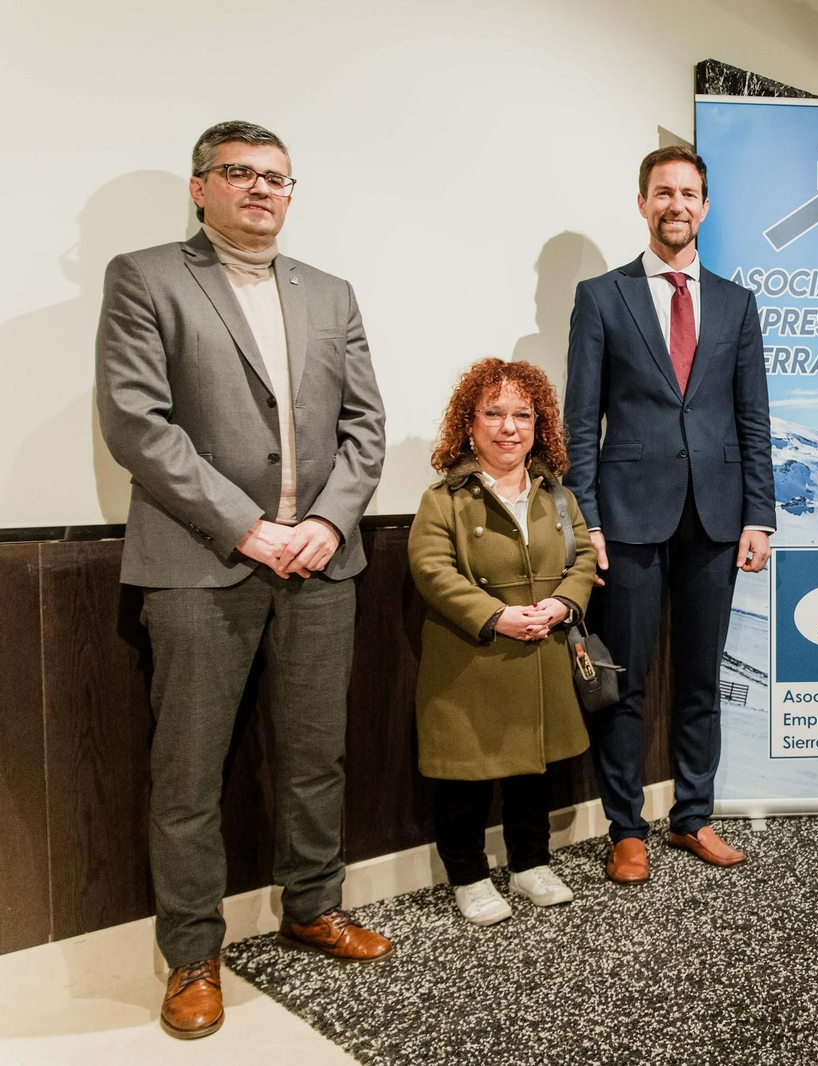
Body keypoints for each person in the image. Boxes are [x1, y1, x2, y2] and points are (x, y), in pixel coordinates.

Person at [95, 120, 391, 1040]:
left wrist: (324, 523)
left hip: (321, 561)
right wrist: (250, 528)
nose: (260, 189)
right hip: (201, 563)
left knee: (317, 756)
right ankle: (192, 955)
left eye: (276, 177)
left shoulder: (329, 292)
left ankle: (313, 906)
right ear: (200, 187)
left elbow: (366, 428)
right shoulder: (145, 277)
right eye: (239, 174)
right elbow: (138, 424)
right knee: (187, 772)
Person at [564, 146, 775, 884]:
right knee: (623, 679)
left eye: (688, 193)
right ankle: (626, 829)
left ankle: (693, 816)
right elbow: (578, 419)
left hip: (716, 520)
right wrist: (584, 517)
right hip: (626, 518)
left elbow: (754, 419)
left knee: (699, 677)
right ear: (642, 203)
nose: (675, 204)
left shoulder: (736, 302)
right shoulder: (601, 297)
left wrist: (761, 516)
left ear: (706, 206)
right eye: (663, 192)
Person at [408, 358, 598, 925]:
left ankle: (530, 863)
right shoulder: (443, 498)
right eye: (493, 413)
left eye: (522, 414)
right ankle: (467, 875)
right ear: (469, 424)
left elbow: (583, 556)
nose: (508, 427)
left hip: (540, 652)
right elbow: (431, 570)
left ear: (539, 427)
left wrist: (564, 603)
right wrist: (497, 616)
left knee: (529, 771)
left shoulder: (558, 497)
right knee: (465, 776)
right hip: (471, 660)